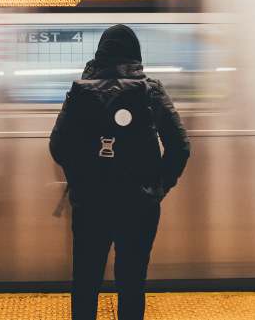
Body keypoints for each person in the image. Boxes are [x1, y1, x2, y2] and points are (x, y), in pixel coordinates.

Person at [50, 24, 190, 320]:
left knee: (86, 281)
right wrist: (157, 188)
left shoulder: (80, 91)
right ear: (136, 55)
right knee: (131, 281)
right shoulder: (151, 91)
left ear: (99, 54)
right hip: (139, 206)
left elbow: (58, 146)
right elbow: (180, 147)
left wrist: (81, 181)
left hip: (90, 204)